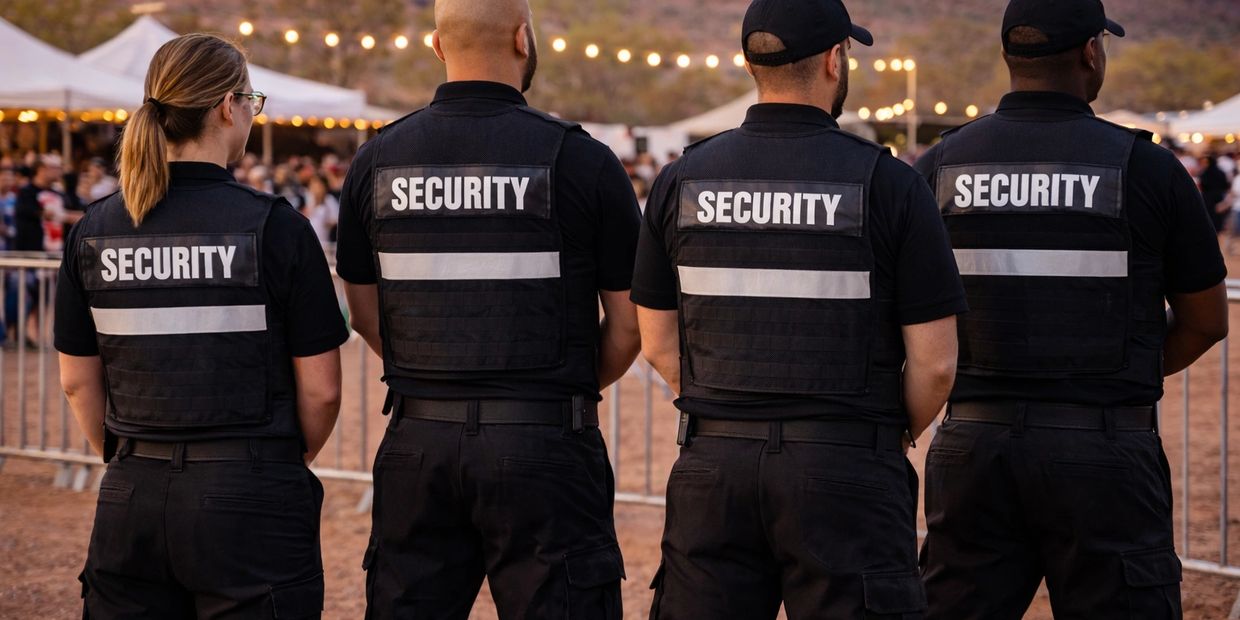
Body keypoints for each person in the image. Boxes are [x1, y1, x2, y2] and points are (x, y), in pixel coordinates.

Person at [631, 0, 966, 616]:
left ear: (751, 62)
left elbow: (655, 342)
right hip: (847, 468)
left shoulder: (682, 178)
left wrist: (728, 407)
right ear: (836, 61)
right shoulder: (890, 184)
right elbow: (937, 364)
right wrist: (882, 436)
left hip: (714, 466)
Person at [913, 1, 1230, 617]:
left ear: (1009, 57)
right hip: (1104, 450)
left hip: (974, 445)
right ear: (1091, 52)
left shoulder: (940, 166)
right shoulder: (1148, 168)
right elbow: (1208, 320)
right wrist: (1118, 368)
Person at [335, 0, 642, 617]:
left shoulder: (376, 160)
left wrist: (433, 373)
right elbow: (630, 326)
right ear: (524, 41)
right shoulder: (583, 159)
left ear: (438, 47)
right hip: (547, 439)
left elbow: (365, 315)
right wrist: (566, 386)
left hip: (418, 437)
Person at [54, 33, 349, 618]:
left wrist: (128, 456)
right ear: (225, 107)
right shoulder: (277, 228)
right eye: (251, 101)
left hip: (131, 490)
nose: (250, 114)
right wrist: (276, 464)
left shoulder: (94, 230)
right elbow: (323, 389)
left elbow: (76, 382)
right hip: (251, 491)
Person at [1200, 155, 1231, 233]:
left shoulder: (1205, 173)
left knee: (1209, 215)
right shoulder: (1220, 172)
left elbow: (1203, 185)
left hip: (1208, 198)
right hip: (1218, 196)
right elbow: (1225, 185)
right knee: (1218, 216)